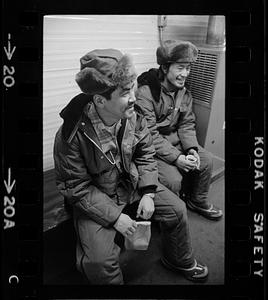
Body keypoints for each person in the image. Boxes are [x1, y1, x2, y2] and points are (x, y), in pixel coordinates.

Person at [53, 48, 208, 285]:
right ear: (100, 100)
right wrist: (115, 217)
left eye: (132, 87)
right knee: (99, 262)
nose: (134, 97)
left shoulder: (132, 116)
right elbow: (76, 187)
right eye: (125, 92)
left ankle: (178, 259)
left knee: (176, 210)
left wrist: (147, 191)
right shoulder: (71, 135)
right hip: (97, 197)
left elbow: (146, 153)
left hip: (131, 185)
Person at [135, 40, 223, 221]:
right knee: (173, 180)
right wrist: (176, 158)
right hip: (152, 149)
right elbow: (149, 134)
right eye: (180, 68)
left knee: (206, 160)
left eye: (188, 69)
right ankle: (169, 217)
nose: (185, 74)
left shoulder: (184, 92)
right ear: (165, 68)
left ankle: (197, 201)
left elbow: (186, 124)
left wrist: (192, 149)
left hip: (175, 143)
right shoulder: (145, 94)